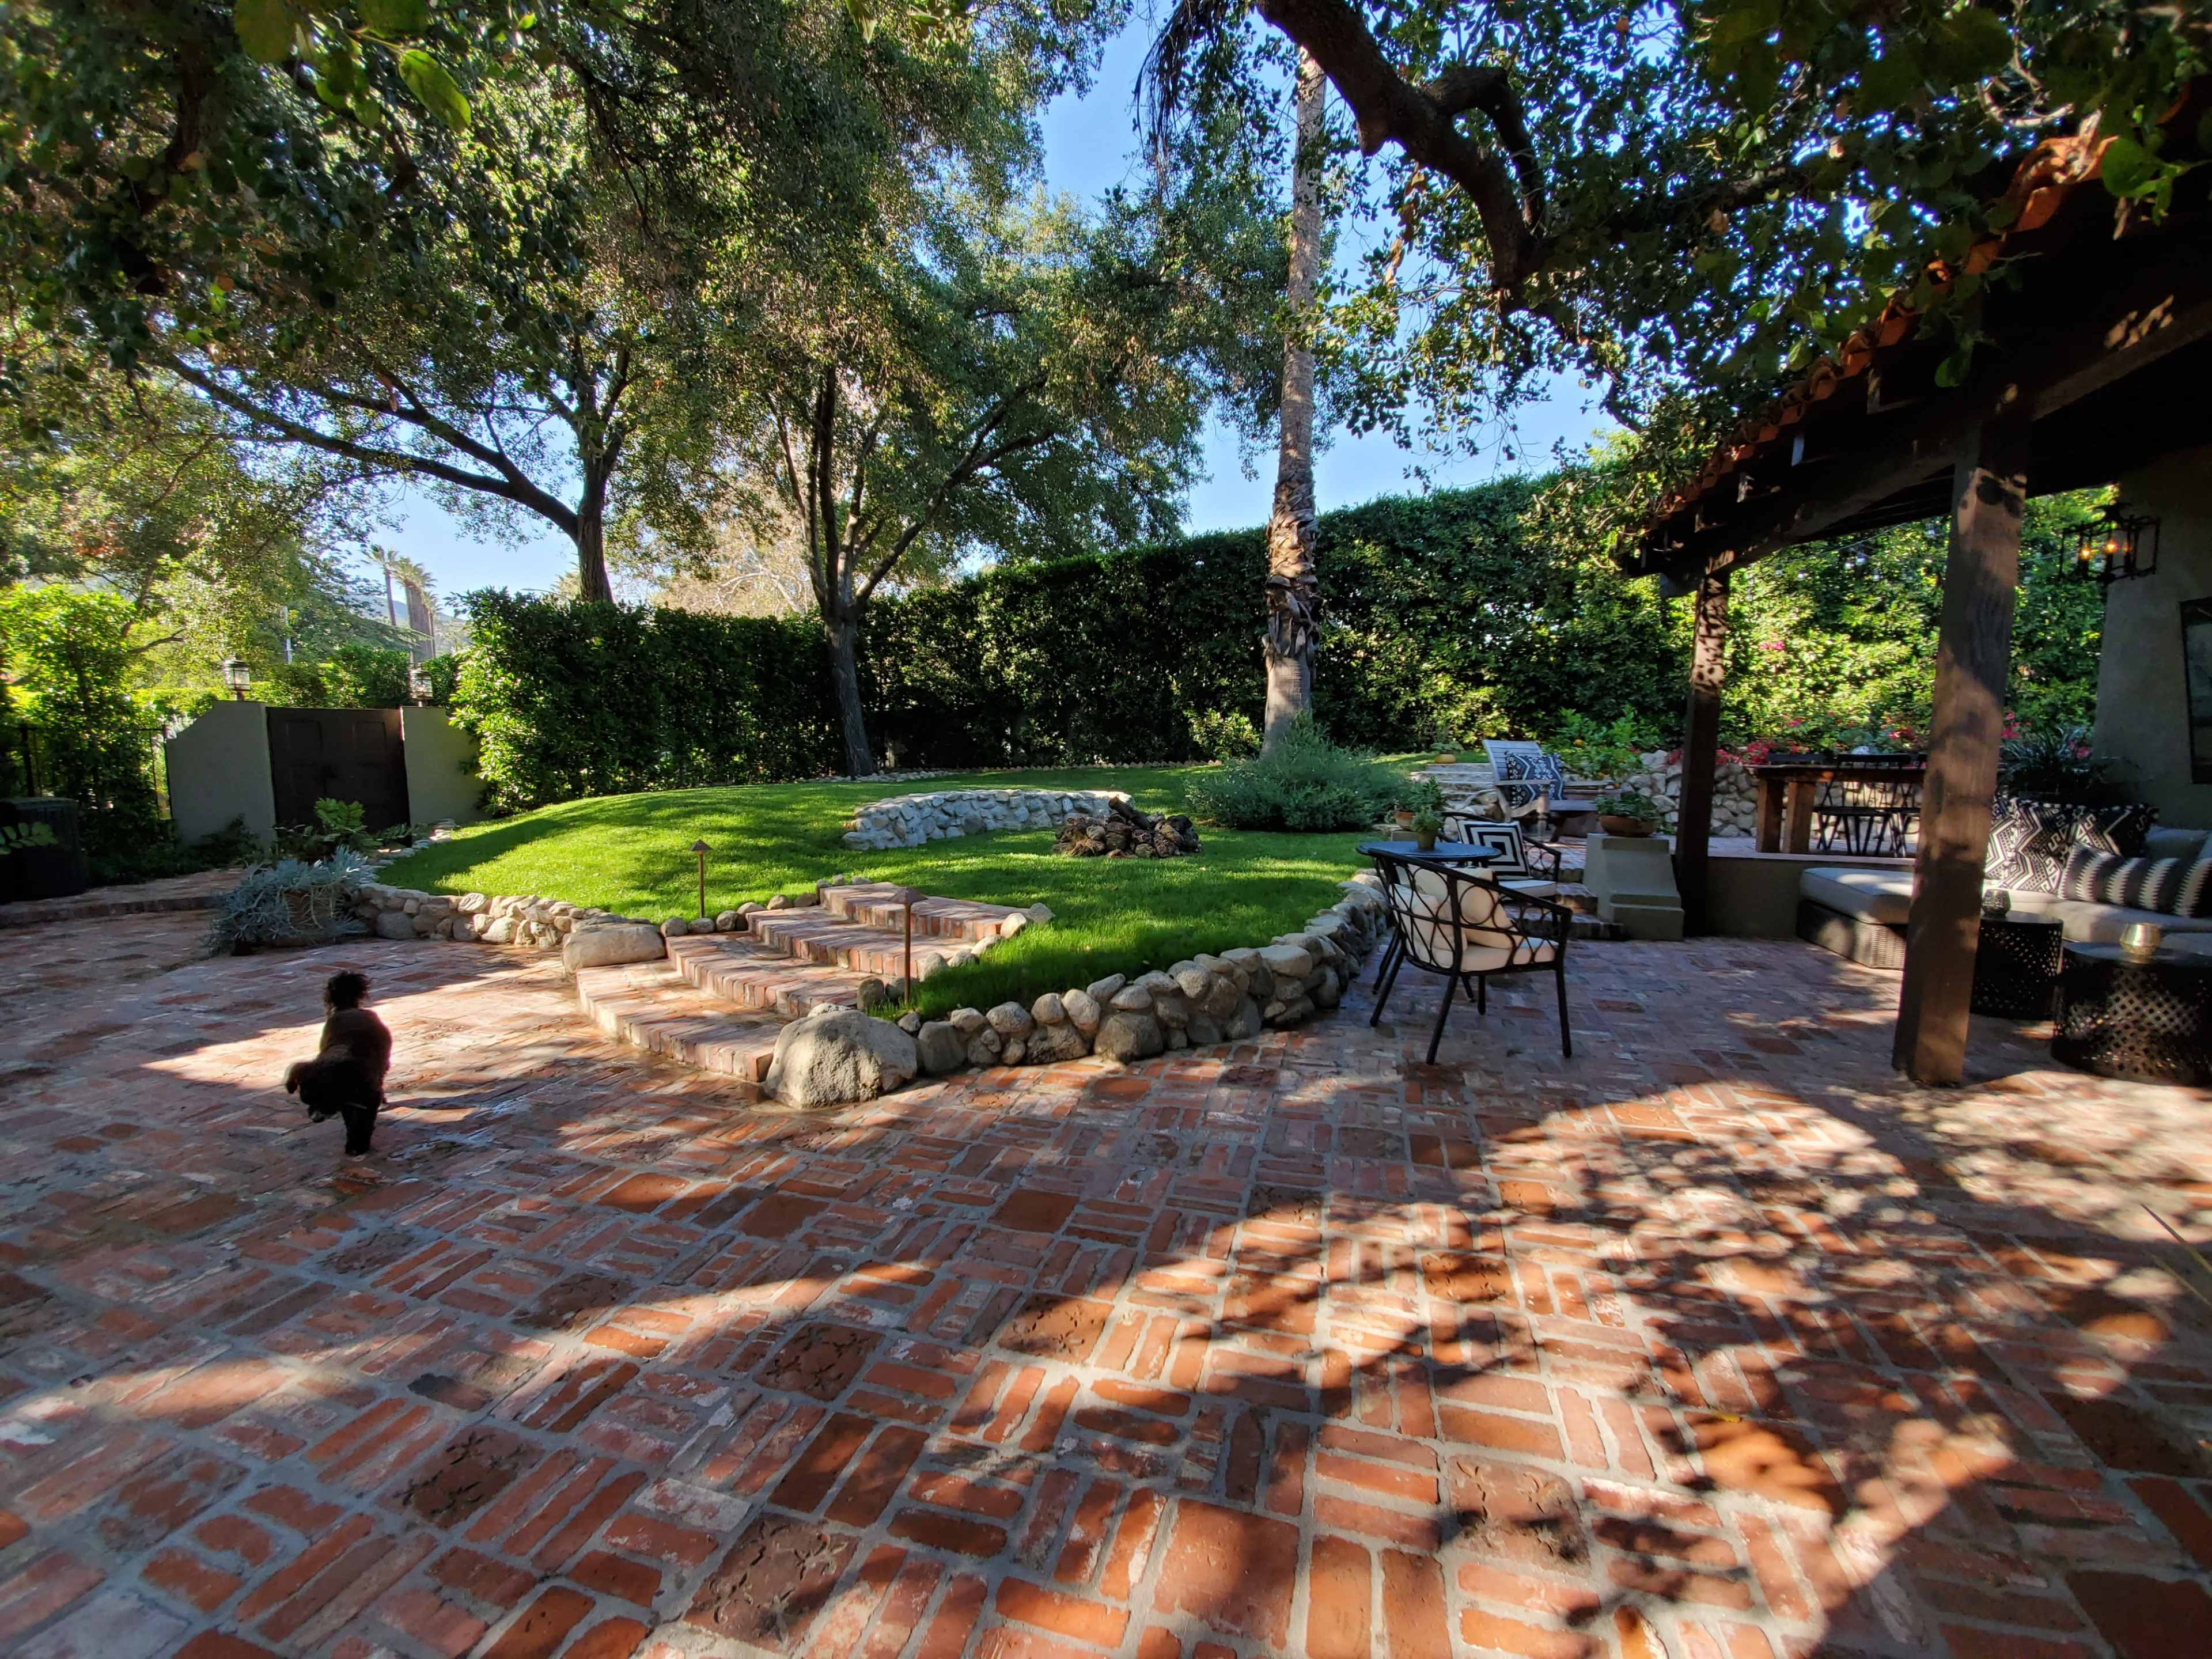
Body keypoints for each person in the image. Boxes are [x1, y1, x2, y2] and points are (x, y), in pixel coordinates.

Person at [283, 971, 392, 1156]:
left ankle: (357, 1142)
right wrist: (292, 1079)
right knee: (360, 1098)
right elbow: (297, 1069)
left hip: (367, 1056)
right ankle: (356, 1139)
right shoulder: (310, 1069)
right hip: (353, 1053)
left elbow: (369, 1098)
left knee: (362, 1107)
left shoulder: (363, 1083)